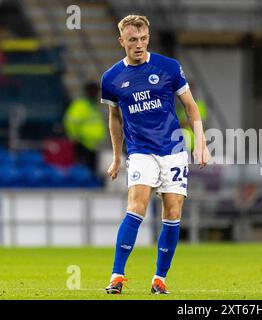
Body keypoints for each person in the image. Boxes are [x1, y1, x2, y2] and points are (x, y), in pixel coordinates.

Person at [101, 15, 210, 295]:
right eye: (133, 40)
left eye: (143, 39)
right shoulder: (111, 78)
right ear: (121, 41)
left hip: (173, 151)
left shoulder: (169, 67)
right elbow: (114, 118)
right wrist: (116, 157)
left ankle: (159, 279)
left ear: (148, 38)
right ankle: (117, 275)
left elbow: (191, 106)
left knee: (173, 212)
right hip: (140, 151)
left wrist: (201, 143)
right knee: (136, 205)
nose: (139, 45)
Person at [63, 82, 107, 173]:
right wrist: (75, 137)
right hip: (83, 144)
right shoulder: (80, 105)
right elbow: (70, 122)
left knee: (93, 170)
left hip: (94, 145)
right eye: (94, 91)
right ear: (88, 92)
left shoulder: (94, 105)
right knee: (83, 171)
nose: (96, 94)